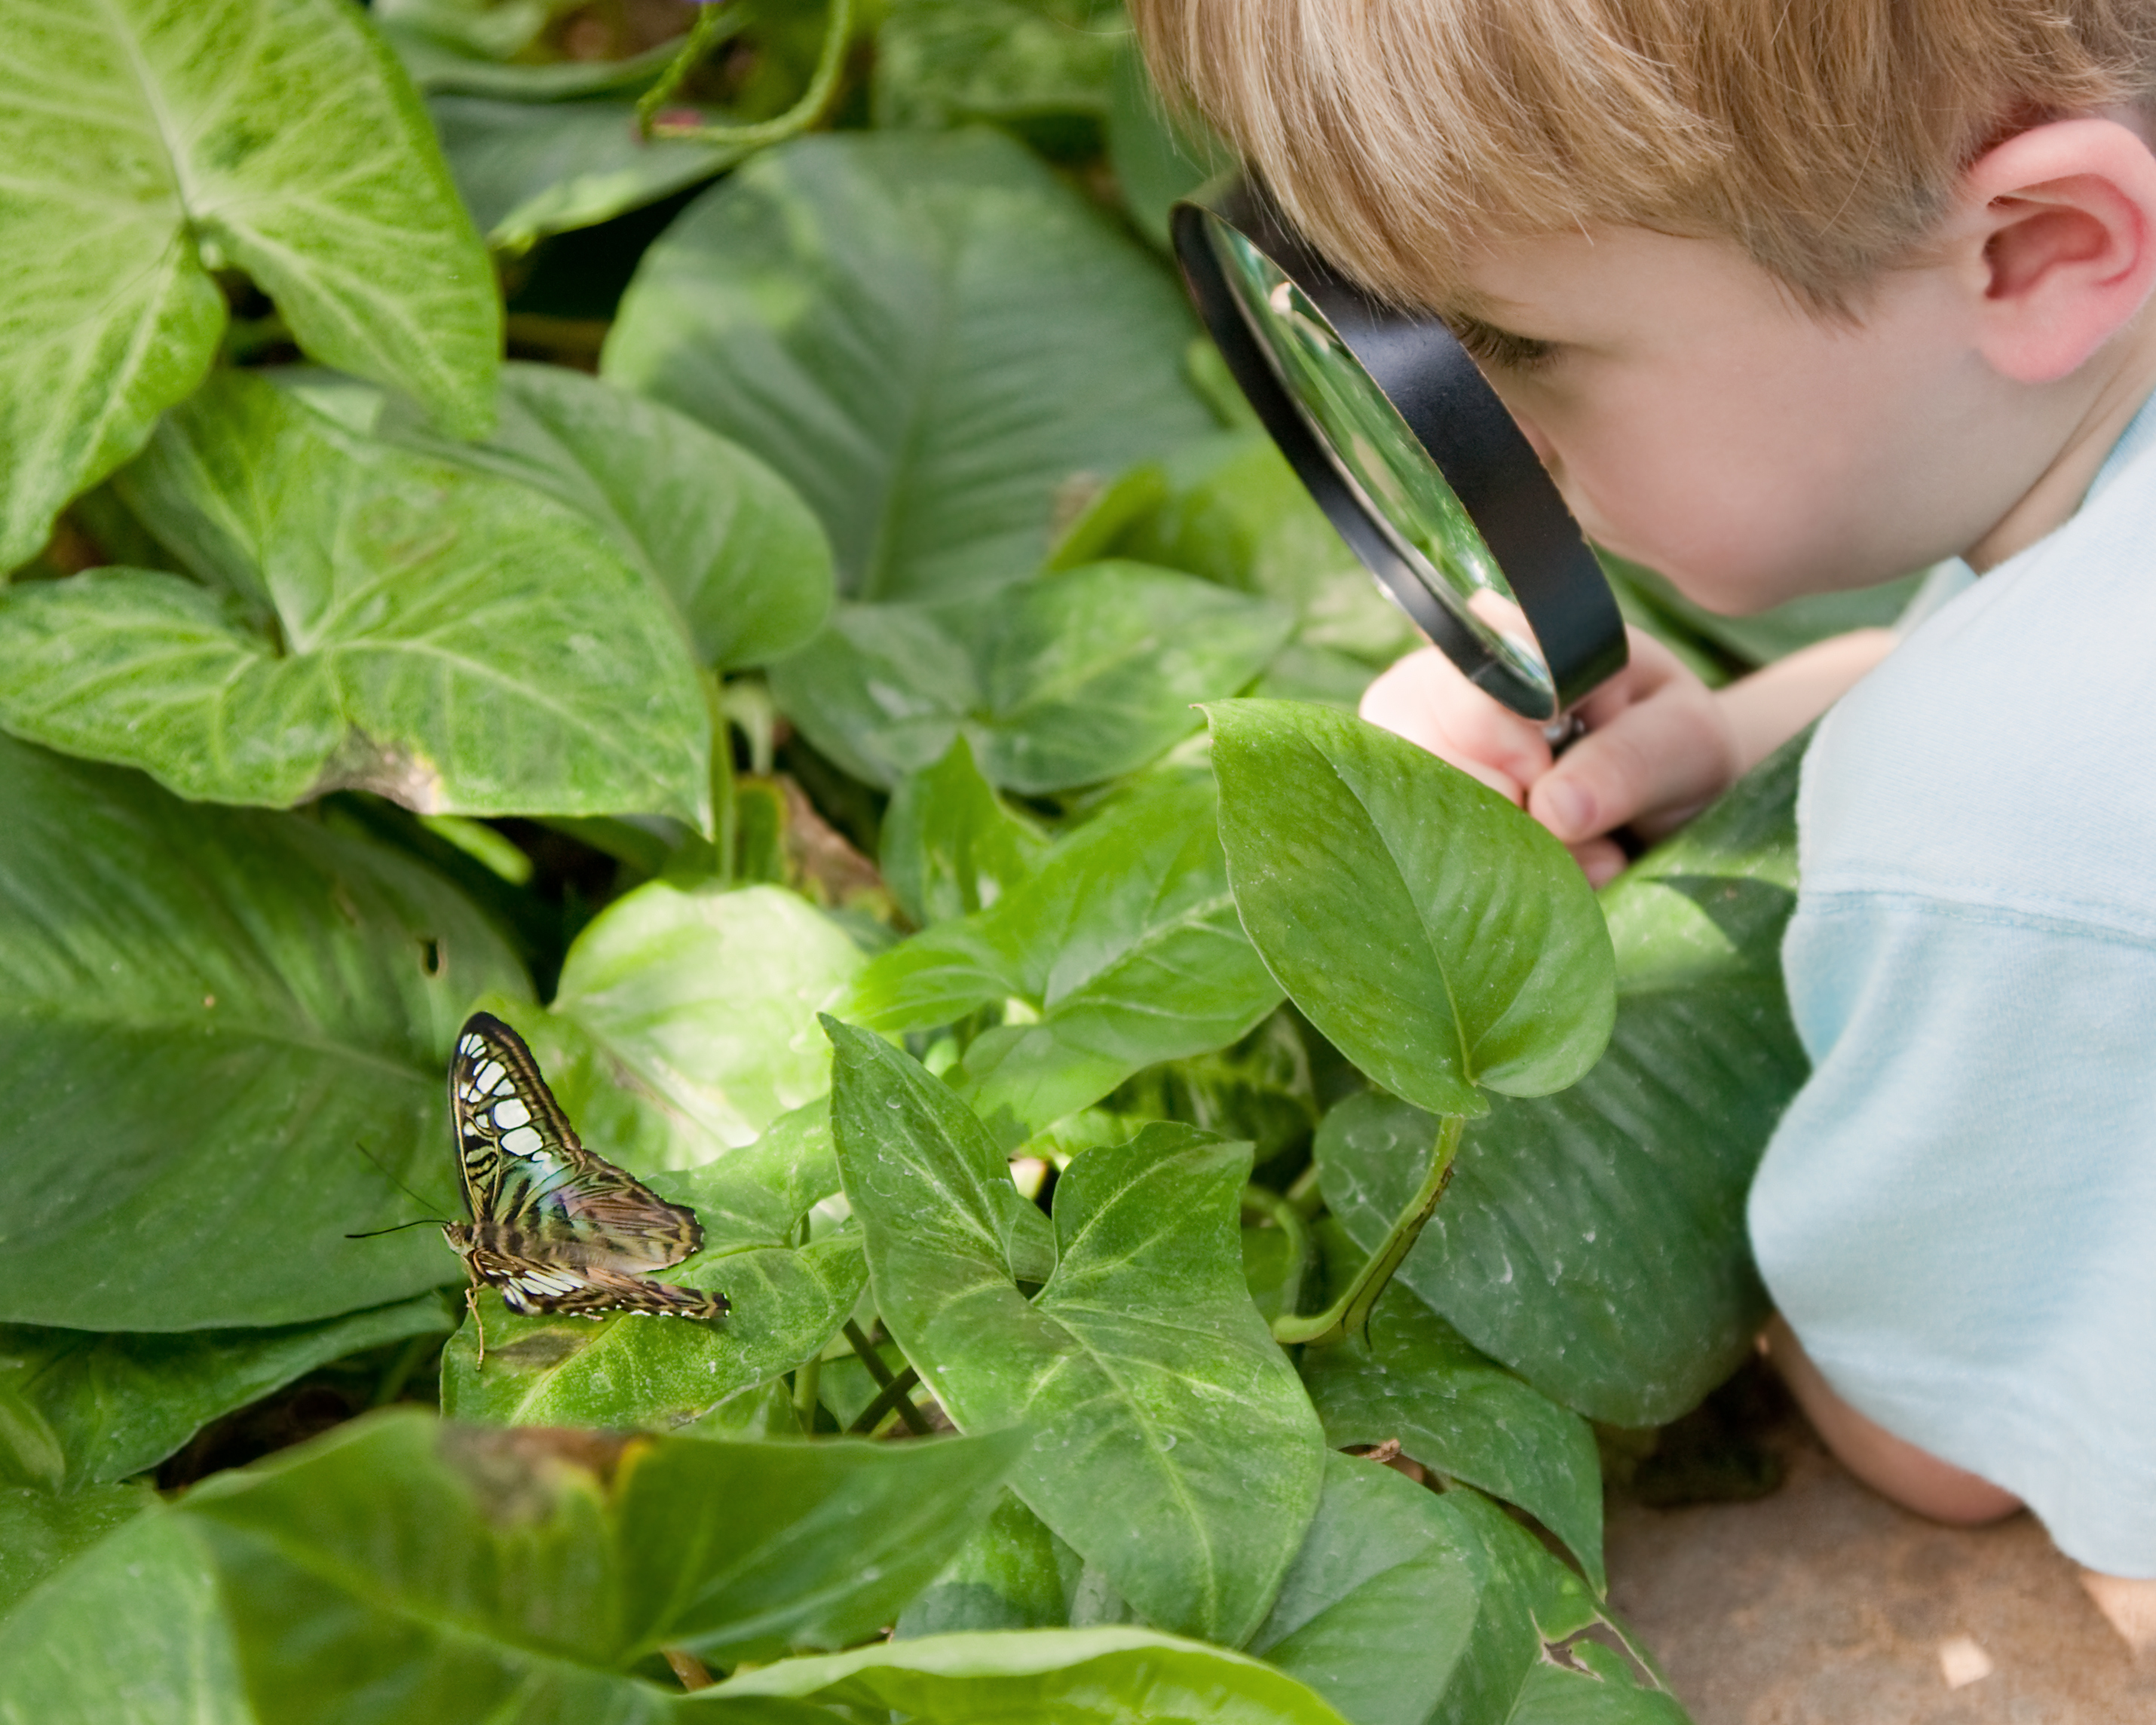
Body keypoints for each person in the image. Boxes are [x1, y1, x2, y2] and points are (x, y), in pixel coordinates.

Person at [1134, 0, 2156, 1636]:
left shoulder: (1973, 822)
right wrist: (1765, 729)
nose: (1481, 451)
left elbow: (1934, 1423)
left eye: (1517, 359)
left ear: (2035, 252)